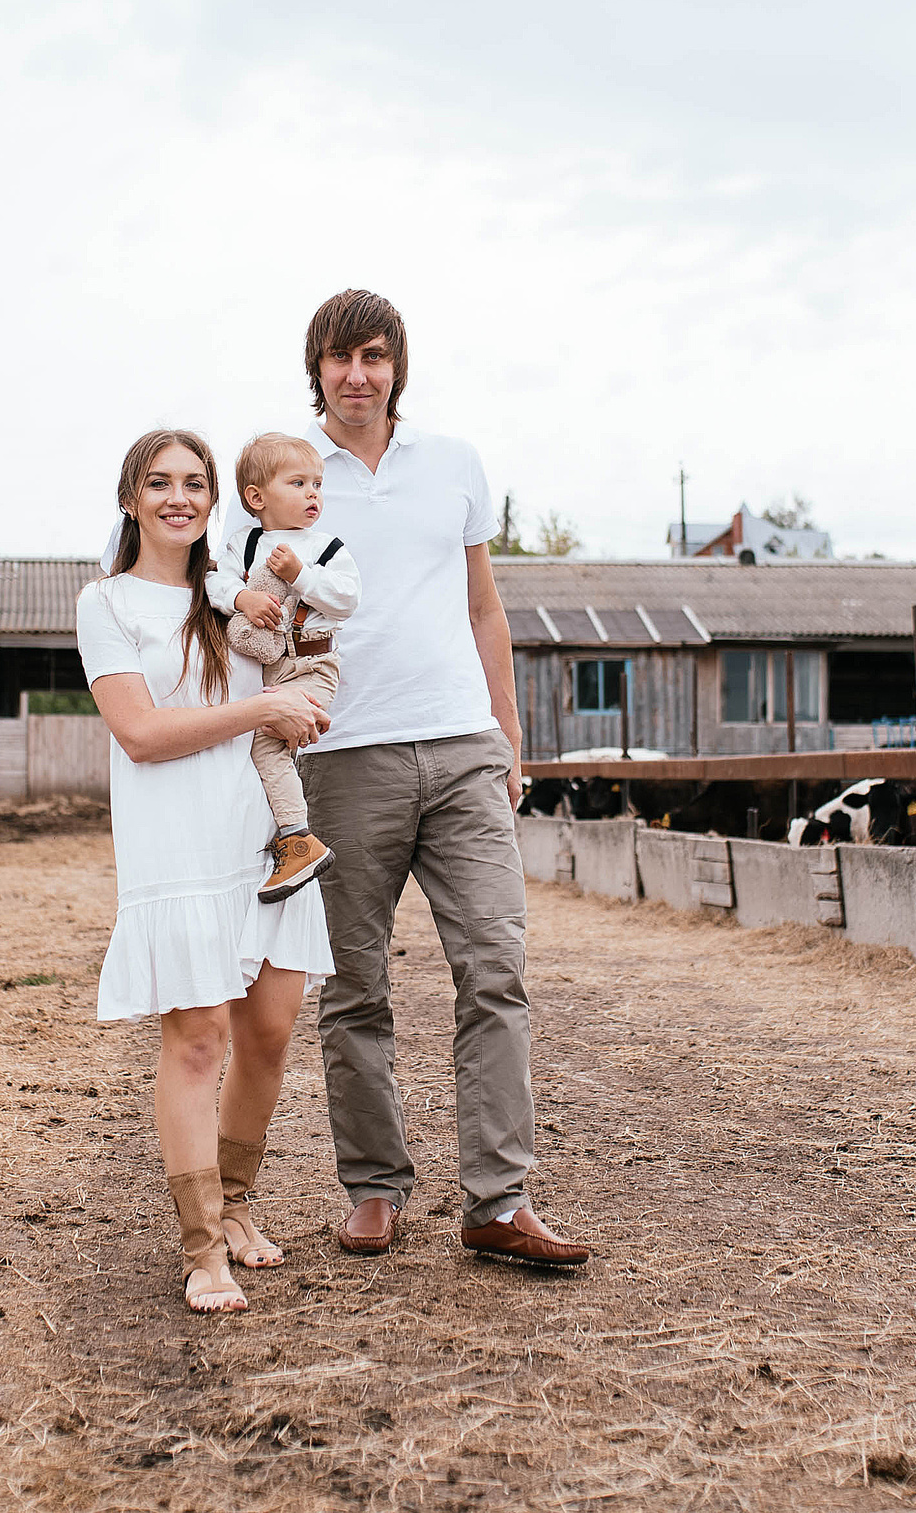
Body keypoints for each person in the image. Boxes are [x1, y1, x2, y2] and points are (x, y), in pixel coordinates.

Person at [293, 289, 594, 1268]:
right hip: (343, 754)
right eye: (339, 358)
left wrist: (508, 735)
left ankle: (497, 1201)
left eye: (373, 356)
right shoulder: (290, 478)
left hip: (462, 746)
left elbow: (484, 609)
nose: (356, 375)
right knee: (353, 986)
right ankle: (373, 1189)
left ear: (396, 368)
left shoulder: (454, 465)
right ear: (316, 371)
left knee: (495, 971)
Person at [77, 428, 337, 1313]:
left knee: (269, 1031)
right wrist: (266, 704)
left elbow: (306, 641)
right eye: (160, 483)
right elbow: (142, 735)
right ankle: (200, 1247)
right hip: (179, 842)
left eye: (195, 483)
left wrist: (302, 698)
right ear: (131, 500)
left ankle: (237, 1207)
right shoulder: (107, 604)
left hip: (261, 833)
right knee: (197, 1040)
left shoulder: (237, 593)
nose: (179, 497)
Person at [208, 431, 362, 904]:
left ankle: (298, 839)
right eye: (298, 483)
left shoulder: (326, 547)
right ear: (257, 497)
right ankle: (279, 835)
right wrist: (243, 598)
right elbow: (214, 584)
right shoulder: (244, 542)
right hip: (266, 669)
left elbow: (347, 598)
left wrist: (301, 575)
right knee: (264, 750)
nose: (313, 493)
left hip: (313, 665)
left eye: (317, 483)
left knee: (268, 748)